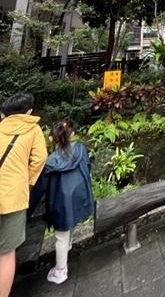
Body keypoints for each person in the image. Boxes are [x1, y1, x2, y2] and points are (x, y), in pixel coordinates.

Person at [30, 120, 94, 285]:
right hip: (80, 197)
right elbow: (88, 166)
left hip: (61, 203)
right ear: (72, 135)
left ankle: (60, 271)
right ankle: (69, 246)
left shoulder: (50, 161)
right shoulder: (80, 148)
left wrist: (28, 211)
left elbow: (39, 189)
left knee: (60, 237)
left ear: (51, 139)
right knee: (69, 229)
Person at [0, 93, 47, 297]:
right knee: (6, 253)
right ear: (28, 111)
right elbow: (40, 159)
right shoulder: (33, 129)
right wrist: (26, 181)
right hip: (14, 197)